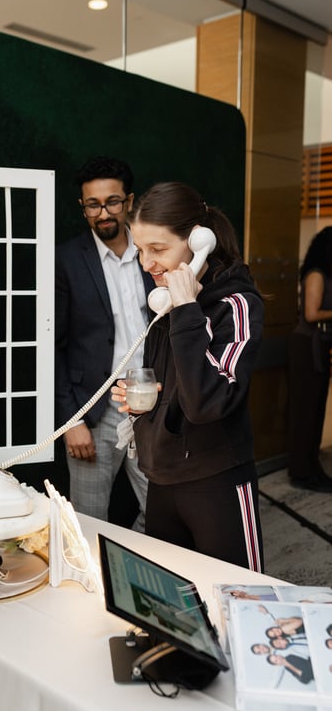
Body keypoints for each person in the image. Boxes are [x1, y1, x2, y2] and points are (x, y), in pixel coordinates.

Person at [111, 181, 264, 570]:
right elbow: (175, 389)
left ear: (198, 242)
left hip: (216, 479)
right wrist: (144, 402)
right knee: (168, 595)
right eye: (140, 249)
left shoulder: (236, 306)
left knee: (238, 595)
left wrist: (186, 309)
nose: (146, 263)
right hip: (162, 477)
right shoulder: (163, 306)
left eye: (158, 249)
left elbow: (207, 404)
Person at [55, 156, 153, 530]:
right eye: (92, 205)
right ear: (83, 208)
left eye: (112, 202)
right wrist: (71, 420)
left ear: (129, 201)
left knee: (162, 512)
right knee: (88, 522)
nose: (103, 213)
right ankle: (97, 570)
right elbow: (54, 346)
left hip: (150, 400)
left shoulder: (152, 250)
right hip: (95, 407)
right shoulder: (66, 259)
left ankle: (128, 562)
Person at [287, 226, 332, 492]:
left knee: (315, 410)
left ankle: (312, 467)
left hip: (318, 347)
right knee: (305, 411)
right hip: (306, 347)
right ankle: (301, 472)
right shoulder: (315, 274)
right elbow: (312, 314)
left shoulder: (325, 274)